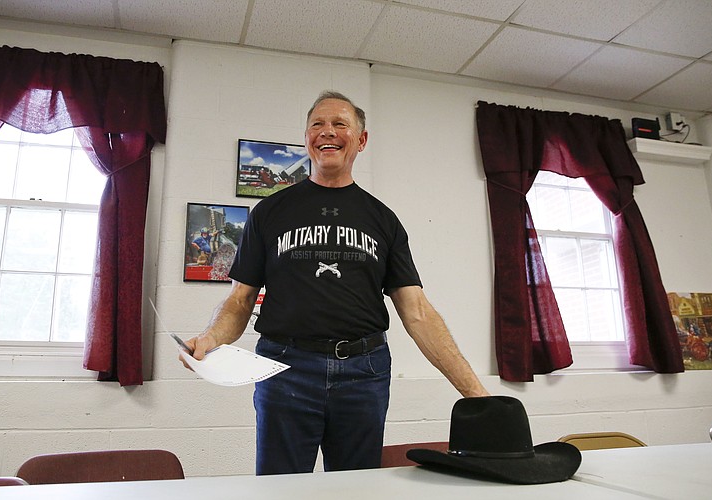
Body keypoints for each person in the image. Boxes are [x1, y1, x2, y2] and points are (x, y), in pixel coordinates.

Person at [181, 90, 489, 475]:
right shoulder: (269, 213)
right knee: (281, 490)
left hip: (365, 372)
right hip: (284, 368)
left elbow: (418, 312)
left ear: (360, 140)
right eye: (317, 124)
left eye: (340, 123)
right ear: (307, 138)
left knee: (356, 489)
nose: (328, 131)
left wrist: (477, 395)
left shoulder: (383, 220)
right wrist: (211, 338)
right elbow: (240, 300)